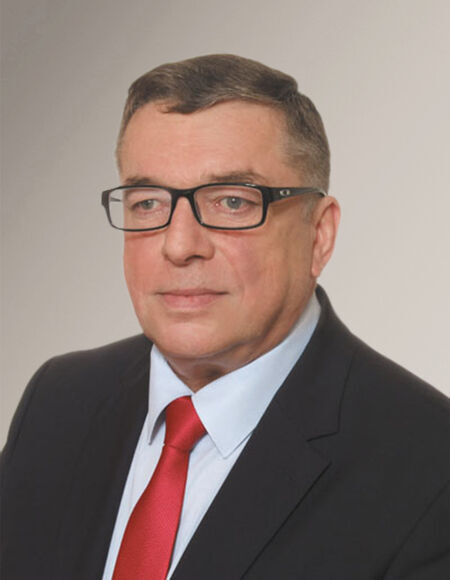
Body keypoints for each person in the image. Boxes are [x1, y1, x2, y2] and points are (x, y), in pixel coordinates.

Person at [1, 54, 448, 580]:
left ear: (319, 235)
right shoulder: (60, 400)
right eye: (148, 203)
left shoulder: (430, 467)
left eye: (232, 202)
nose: (179, 245)